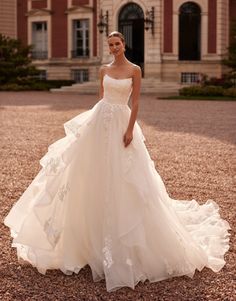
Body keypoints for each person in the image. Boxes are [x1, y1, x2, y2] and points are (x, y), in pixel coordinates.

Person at [4, 31, 231, 293]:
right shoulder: (104, 70)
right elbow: (101, 100)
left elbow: (135, 103)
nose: (114, 48)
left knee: (126, 177)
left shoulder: (135, 70)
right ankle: (86, 241)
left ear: (124, 44)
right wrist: (90, 128)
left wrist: (130, 130)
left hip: (122, 123)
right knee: (88, 174)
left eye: (117, 43)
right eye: (110, 44)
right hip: (100, 123)